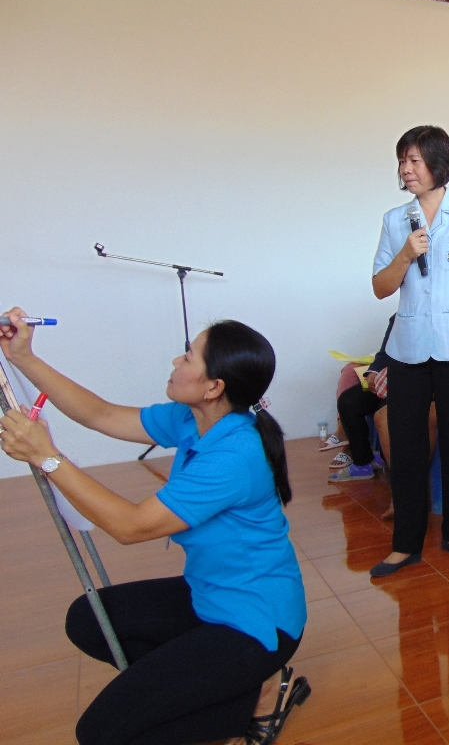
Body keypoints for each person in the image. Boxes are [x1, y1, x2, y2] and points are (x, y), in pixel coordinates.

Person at [0, 310, 309, 745]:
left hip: (256, 622)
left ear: (213, 387)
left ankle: (254, 695)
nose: (175, 362)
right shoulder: (193, 419)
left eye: (188, 357)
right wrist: (23, 357)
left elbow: (131, 526)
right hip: (209, 593)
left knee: (99, 733)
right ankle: (222, 691)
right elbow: (100, 414)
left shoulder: (235, 455)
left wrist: (47, 457)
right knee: (89, 619)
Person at [369, 125, 449, 577]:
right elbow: (380, 287)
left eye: (415, 160)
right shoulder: (395, 220)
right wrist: (405, 255)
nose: (406, 169)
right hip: (407, 351)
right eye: (402, 160)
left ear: (439, 164)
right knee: (406, 448)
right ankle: (405, 544)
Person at [328, 315, 393, 482]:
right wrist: (373, 372)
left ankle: (386, 459)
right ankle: (362, 462)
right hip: (390, 379)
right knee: (348, 402)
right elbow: (383, 353)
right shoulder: (398, 317)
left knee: (385, 411)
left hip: (414, 384)